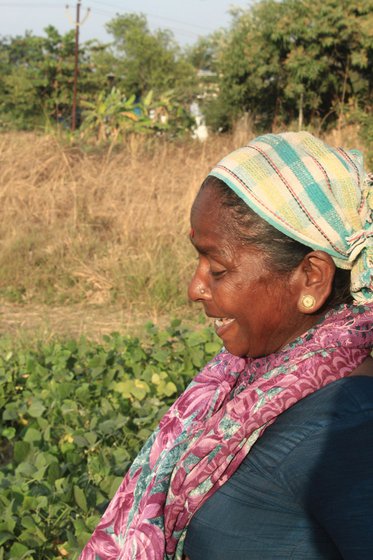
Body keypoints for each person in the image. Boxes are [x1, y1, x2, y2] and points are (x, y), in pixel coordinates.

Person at [80, 131, 373, 560]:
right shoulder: (254, 379)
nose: (194, 288)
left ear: (312, 277)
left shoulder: (349, 427)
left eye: (217, 268)